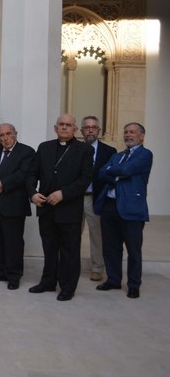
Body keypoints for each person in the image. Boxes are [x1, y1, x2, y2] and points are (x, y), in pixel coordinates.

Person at [26, 114, 93, 301]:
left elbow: (86, 178)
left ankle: (67, 287)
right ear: (55, 128)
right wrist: (32, 193)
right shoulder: (44, 147)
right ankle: (48, 282)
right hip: (46, 207)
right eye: (61, 125)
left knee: (69, 251)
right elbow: (32, 173)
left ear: (75, 129)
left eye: (68, 125)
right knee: (49, 248)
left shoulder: (84, 150)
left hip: (69, 209)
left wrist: (64, 193)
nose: (64, 128)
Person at [95, 122, 153, 299]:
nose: (128, 135)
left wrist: (113, 172)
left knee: (133, 250)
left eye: (132, 132)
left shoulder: (145, 154)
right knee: (111, 247)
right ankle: (113, 279)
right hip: (109, 206)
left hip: (131, 209)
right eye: (126, 132)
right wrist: (115, 173)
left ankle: (134, 285)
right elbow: (101, 173)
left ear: (141, 136)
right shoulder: (118, 155)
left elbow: (128, 170)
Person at [0, 123, 35, 290]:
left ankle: (14, 275)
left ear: (15, 134)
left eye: (8, 134)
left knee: (13, 242)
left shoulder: (26, 152)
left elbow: (23, 174)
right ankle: (1, 271)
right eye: (1, 135)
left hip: (13, 205)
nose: (5, 138)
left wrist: (2, 184)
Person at [80, 115, 116, 281]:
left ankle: (97, 267)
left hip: (96, 198)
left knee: (97, 235)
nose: (90, 130)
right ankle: (71, 264)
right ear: (81, 131)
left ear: (99, 131)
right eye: (87, 128)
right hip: (75, 198)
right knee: (72, 233)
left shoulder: (109, 152)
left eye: (93, 127)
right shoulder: (75, 149)